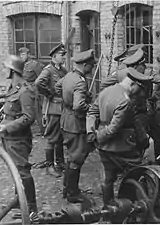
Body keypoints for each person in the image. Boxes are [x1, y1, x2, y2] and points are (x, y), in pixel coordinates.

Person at [86, 68, 152, 206]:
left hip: (104, 147)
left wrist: (91, 132)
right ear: (132, 84)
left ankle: (108, 208)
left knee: (108, 178)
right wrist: (98, 136)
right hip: (123, 147)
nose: (138, 94)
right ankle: (131, 206)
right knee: (136, 173)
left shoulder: (105, 92)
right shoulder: (125, 101)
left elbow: (91, 112)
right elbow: (113, 129)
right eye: (139, 89)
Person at [0, 55, 38, 217]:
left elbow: (29, 117)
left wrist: (7, 128)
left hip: (19, 139)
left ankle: (31, 208)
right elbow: (12, 111)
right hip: (9, 138)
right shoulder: (13, 88)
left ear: (12, 70)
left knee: (23, 172)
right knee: (16, 171)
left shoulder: (24, 91)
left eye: (7, 68)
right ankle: (21, 203)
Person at [54, 49, 96, 203]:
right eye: (90, 65)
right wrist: (90, 107)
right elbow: (79, 106)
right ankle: (73, 193)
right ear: (84, 65)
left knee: (71, 156)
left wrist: (67, 100)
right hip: (76, 124)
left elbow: (58, 88)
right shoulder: (79, 80)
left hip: (65, 121)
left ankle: (67, 188)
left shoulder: (69, 76)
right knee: (77, 158)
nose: (92, 68)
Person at [35, 43, 67, 177]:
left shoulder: (63, 71)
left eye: (64, 55)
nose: (64, 57)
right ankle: (49, 166)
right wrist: (48, 94)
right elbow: (38, 83)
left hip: (62, 108)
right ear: (54, 57)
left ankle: (60, 162)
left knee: (60, 137)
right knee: (51, 138)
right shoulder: (48, 70)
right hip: (52, 108)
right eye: (61, 55)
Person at [19, 47, 44, 136]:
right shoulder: (22, 65)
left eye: (23, 54)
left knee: (37, 111)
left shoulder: (34, 65)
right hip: (24, 89)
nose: (22, 56)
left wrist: (36, 90)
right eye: (21, 55)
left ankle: (43, 130)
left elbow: (40, 78)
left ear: (28, 55)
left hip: (34, 90)